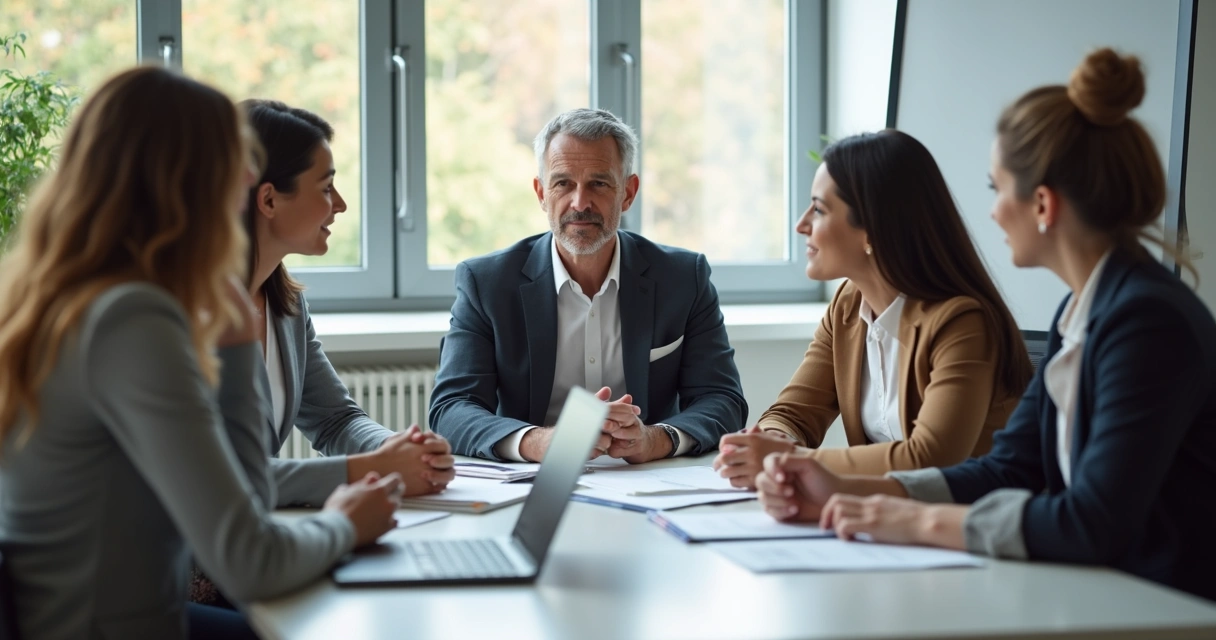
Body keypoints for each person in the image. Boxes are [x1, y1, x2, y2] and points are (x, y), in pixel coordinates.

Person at [755, 48, 1216, 603]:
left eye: (998, 189)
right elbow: (1009, 469)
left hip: (1169, 605)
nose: (993, 211)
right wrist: (849, 487)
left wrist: (914, 521)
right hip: (1104, 594)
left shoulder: (1146, 322)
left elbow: (1091, 521)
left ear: (1042, 204)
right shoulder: (1086, 310)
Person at [0, 67, 401, 639]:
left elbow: (246, 503)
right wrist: (343, 521)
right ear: (178, 177)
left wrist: (237, 347)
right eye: (231, 159)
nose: (246, 177)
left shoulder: (72, 297)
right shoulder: (131, 319)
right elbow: (251, 560)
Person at [713, 130, 1032, 488]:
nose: (801, 225)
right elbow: (793, 415)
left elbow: (930, 458)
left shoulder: (962, 322)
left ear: (870, 230)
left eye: (818, 209)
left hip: (974, 526)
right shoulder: (848, 305)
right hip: (889, 521)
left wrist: (787, 459)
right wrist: (768, 443)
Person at [429, 108, 747, 463]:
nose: (580, 203)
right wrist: (540, 442)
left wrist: (654, 440)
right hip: (530, 480)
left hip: (647, 479)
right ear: (541, 193)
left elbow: (722, 399)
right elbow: (451, 409)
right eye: (563, 183)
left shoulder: (684, 278)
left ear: (628, 192)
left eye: (599, 183)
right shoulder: (486, 283)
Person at [240, 100, 454, 508]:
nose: (339, 204)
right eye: (325, 188)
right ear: (268, 200)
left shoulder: (286, 306)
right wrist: (377, 467)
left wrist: (398, 448)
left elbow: (334, 418)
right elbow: (229, 479)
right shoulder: (182, 315)